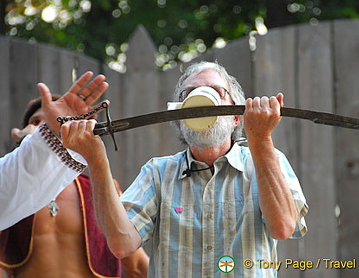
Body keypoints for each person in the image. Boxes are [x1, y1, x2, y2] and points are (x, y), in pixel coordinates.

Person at [61, 61, 309, 277]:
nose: (199, 98)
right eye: (188, 94)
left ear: (236, 116)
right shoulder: (158, 173)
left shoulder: (266, 160)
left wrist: (261, 140)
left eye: (215, 91)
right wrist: (96, 160)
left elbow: (283, 227)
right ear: (179, 118)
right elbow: (121, 244)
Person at [0, 95, 149, 278]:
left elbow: (137, 267)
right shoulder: (9, 194)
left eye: (57, 120)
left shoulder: (102, 191)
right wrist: (26, 145)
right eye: (37, 122)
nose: (47, 128)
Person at [0, 71, 109, 231]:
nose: (43, 128)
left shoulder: (97, 191)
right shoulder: (19, 192)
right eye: (36, 122)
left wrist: (61, 135)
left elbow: (131, 252)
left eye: (49, 122)